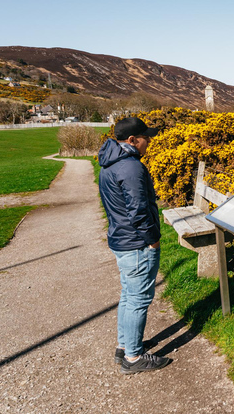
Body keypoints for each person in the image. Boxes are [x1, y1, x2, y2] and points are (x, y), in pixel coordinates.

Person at [98, 116, 171, 374]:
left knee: (129, 295)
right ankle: (133, 358)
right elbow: (138, 211)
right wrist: (153, 240)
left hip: (121, 239)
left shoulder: (109, 164)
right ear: (132, 140)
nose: (148, 142)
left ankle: (125, 345)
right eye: (145, 138)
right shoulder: (131, 168)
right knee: (139, 299)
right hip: (136, 244)